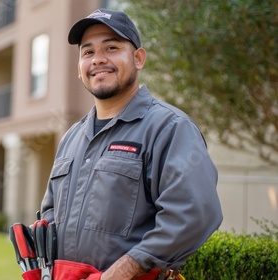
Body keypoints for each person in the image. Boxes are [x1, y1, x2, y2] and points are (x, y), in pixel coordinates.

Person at [40, 9, 223, 280]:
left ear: (138, 59)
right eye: (87, 52)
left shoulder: (169, 128)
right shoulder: (71, 138)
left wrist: (126, 268)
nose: (98, 59)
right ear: (79, 70)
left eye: (111, 48)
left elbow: (193, 213)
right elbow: (50, 214)